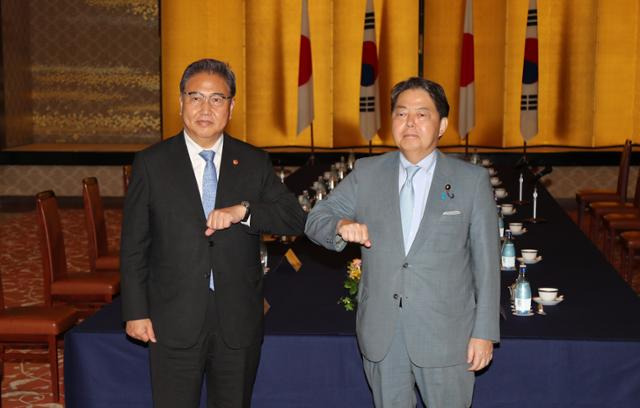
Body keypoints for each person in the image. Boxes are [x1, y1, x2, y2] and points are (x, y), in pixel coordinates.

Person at [120, 58, 306, 408]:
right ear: (180, 102)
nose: (205, 108)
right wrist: (135, 311)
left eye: (217, 99)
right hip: (171, 317)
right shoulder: (152, 163)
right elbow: (133, 244)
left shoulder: (253, 161)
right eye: (196, 97)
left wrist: (245, 211)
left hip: (237, 318)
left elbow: (293, 219)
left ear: (231, 106)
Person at [305, 77, 499, 407]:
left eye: (422, 114)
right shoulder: (367, 173)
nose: (410, 123)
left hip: (447, 335)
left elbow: (487, 263)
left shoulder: (470, 181)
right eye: (401, 113)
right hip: (383, 334)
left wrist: (484, 332)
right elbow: (315, 219)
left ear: (442, 125)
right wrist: (341, 225)